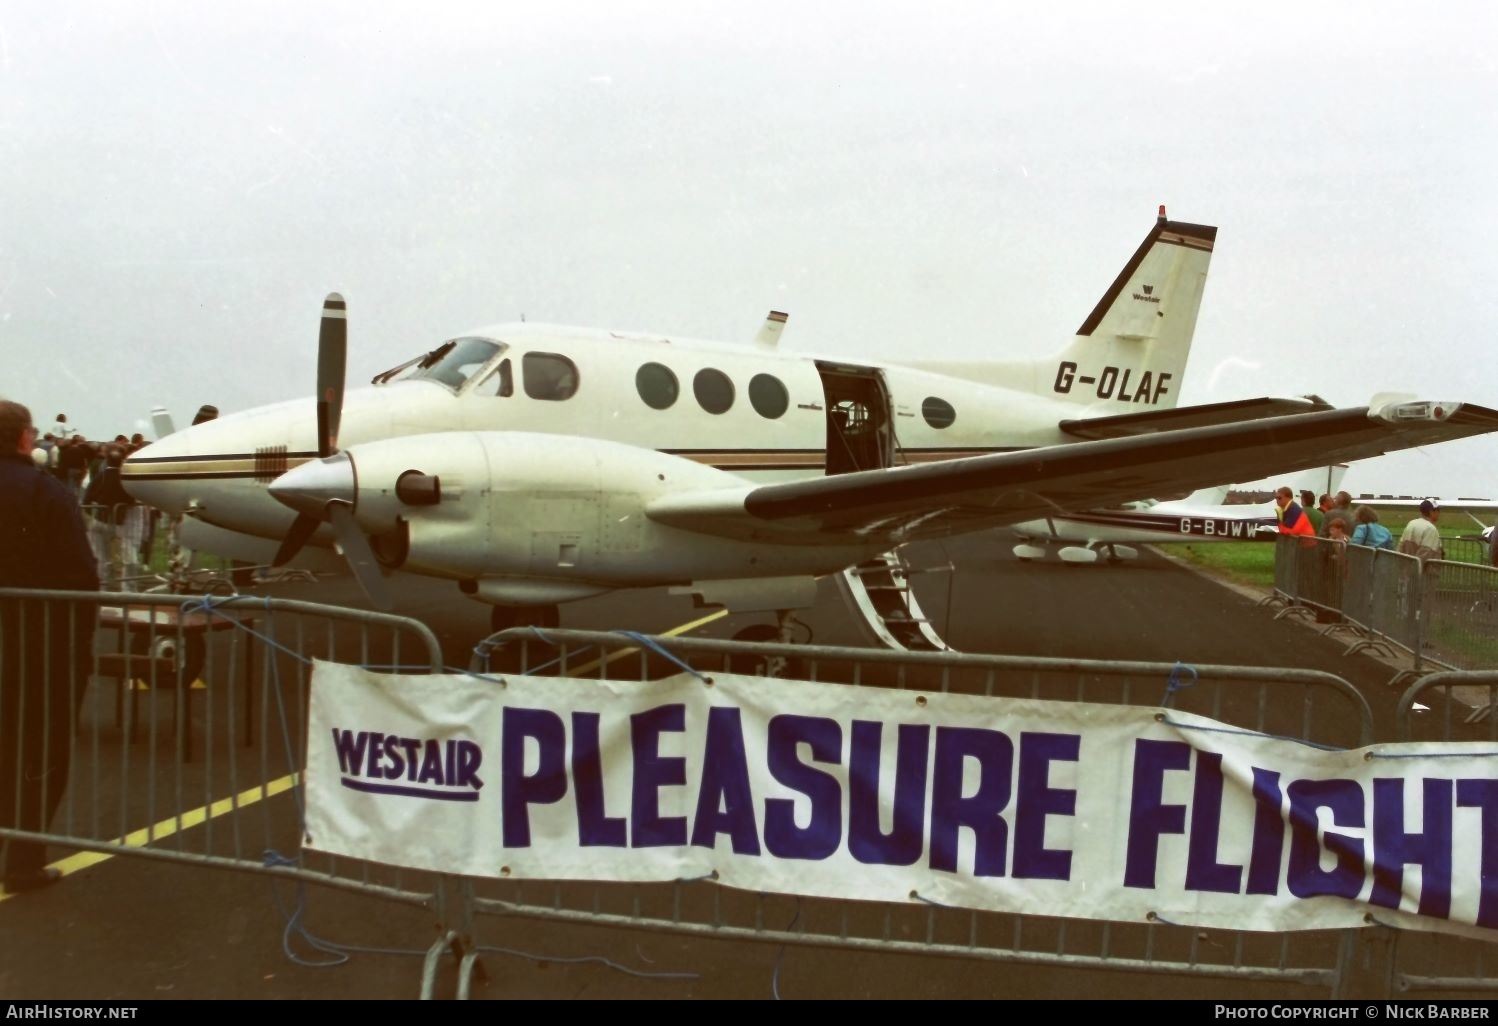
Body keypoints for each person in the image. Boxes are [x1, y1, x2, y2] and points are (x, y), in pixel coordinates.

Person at [0, 399, 99, 894]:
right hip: (38, 645)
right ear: (23, 439)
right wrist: (79, 642)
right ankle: (22, 859)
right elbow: (81, 574)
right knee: (39, 749)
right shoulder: (47, 492)